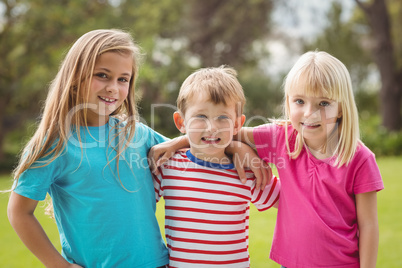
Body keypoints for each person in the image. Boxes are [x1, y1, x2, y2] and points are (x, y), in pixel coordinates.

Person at [7, 29, 173, 267]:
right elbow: (19, 212)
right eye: (103, 75)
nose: (113, 88)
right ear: (75, 79)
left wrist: (185, 141)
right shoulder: (54, 144)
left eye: (123, 79)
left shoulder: (137, 134)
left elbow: (201, 151)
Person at [235, 51, 384, 268]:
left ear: (341, 108)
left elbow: (369, 225)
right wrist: (239, 148)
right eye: (299, 101)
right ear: (288, 101)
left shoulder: (360, 158)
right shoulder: (281, 138)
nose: (309, 113)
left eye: (323, 103)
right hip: (292, 263)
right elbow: (220, 135)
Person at [153, 66, 281, 267]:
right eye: (201, 117)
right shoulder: (167, 167)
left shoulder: (247, 171)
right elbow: (134, 206)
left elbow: (289, 202)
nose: (212, 127)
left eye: (223, 118)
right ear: (180, 122)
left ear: (237, 124)